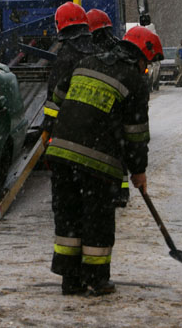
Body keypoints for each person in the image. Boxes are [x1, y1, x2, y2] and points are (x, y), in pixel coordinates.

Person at [45, 25, 163, 296]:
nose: (146, 68)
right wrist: (139, 172)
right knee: (96, 220)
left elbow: (59, 97)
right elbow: (136, 134)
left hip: (61, 154)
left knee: (68, 218)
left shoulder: (87, 61)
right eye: (148, 62)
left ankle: (70, 280)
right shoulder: (134, 81)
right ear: (142, 55)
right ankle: (96, 280)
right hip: (97, 162)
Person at [86, 9, 130, 207]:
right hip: (118, 113)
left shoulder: (90, 52)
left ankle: (103, 191)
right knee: (118, 153)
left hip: (97, 112)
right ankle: (121, 192)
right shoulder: (120, 49)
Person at [42, 2, 99, 140]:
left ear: (59, 25)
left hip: (73, 125)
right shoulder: (98, 51)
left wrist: (47, 127)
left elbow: (55, 95)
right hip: (99, 123)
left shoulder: (66, 55)